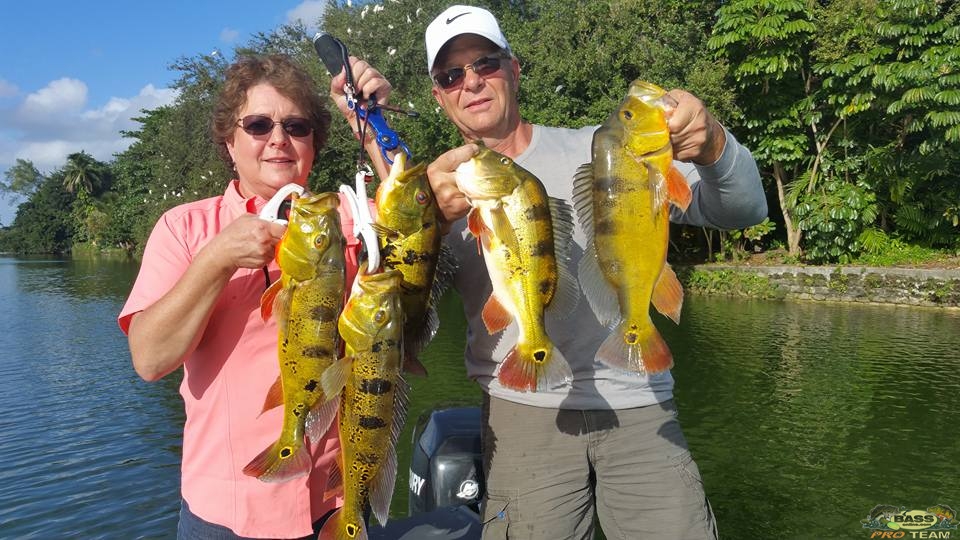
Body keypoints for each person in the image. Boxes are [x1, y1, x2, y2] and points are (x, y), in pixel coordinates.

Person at [336, 5, 768, 540]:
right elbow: (403, 242)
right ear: (439, 96)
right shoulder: (446, 188)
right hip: (522, 416)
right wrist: (365, 122)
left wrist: (716, 146)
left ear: (514, 70)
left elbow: (744, 209)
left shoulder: (610, 150)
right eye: (451, 75)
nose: (471, 82)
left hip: (640, 404)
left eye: (486, 64)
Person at [118, 54, 389, 539]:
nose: (279, 140)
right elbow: (149, 358)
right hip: (227, 514)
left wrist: (367, 124)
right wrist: (216, 259)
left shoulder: (352, 219)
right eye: (259, 124)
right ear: (230, 139)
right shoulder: (185, 229)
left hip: (334, 503)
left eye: (297, 125)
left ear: (314, 142)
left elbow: (421, 213)